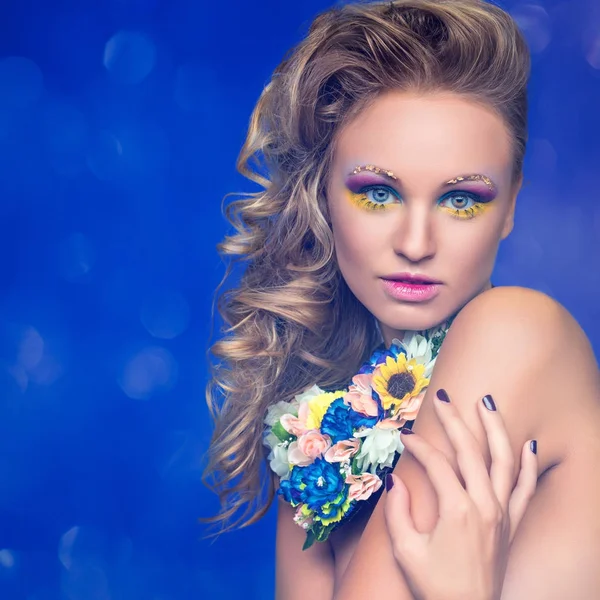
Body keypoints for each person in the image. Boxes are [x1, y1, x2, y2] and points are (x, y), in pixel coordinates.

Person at [202, 1, 600, 598]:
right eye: (378, 192)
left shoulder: (517, 331)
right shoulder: (317, 441)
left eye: (461, 199)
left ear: (512, 204)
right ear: (324, 195)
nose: (417, 244)